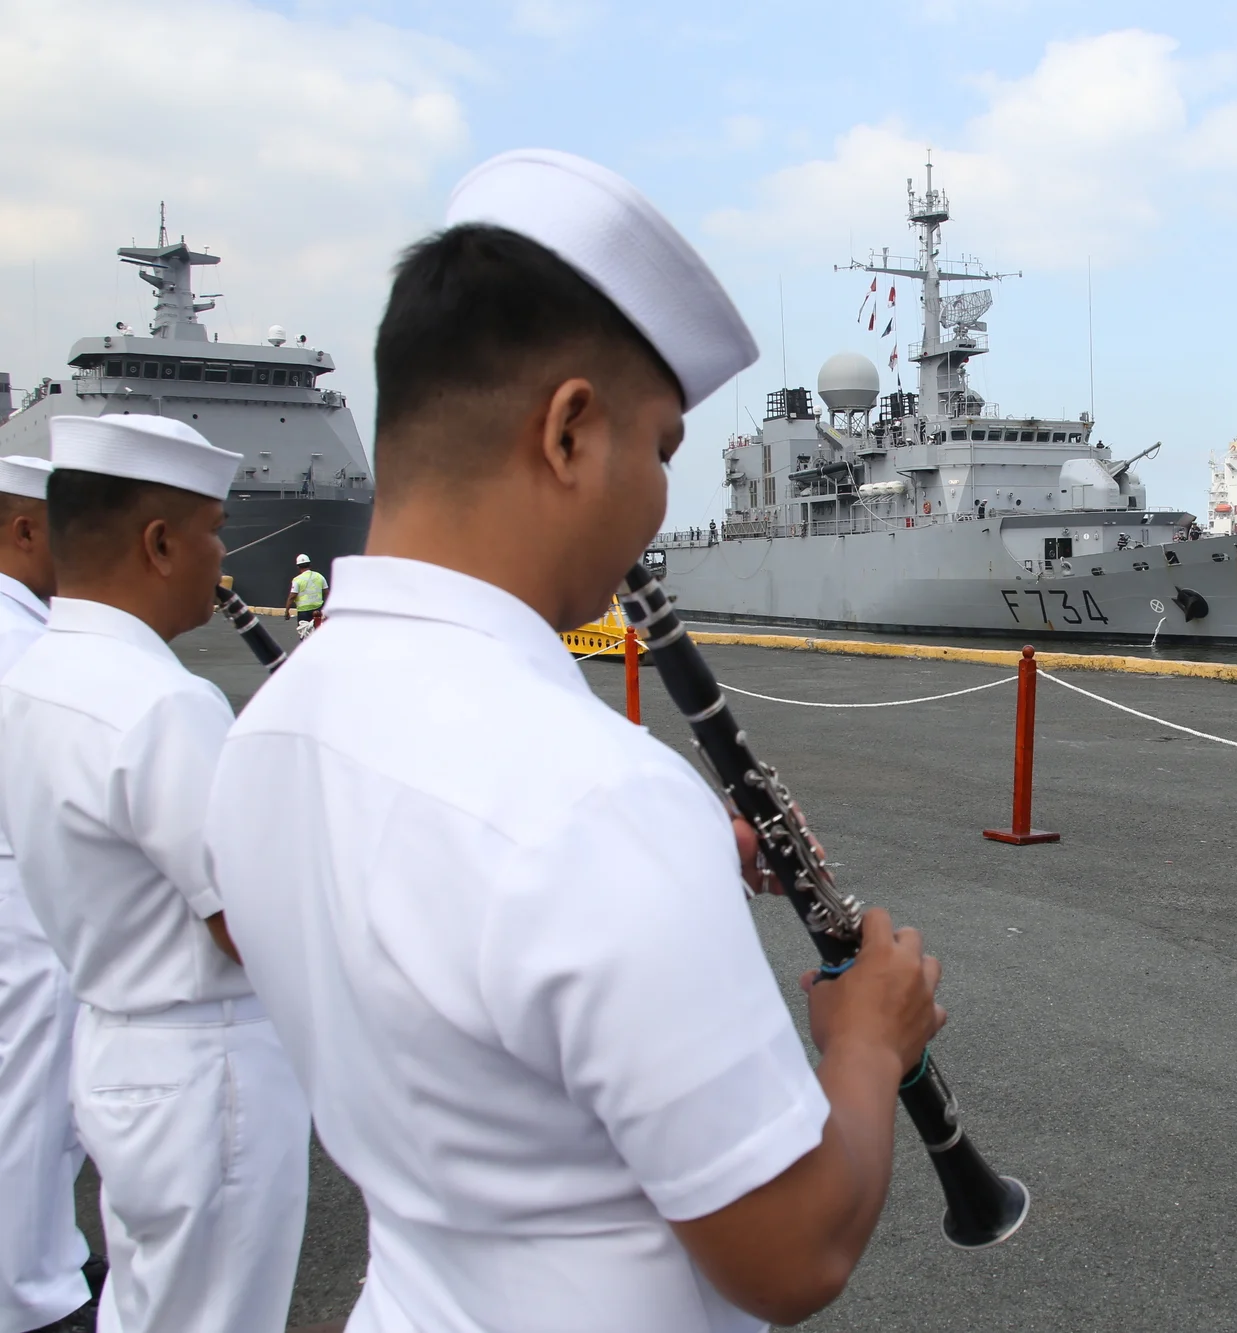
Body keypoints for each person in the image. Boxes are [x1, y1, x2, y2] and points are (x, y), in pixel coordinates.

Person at [204, 149, 945, 1333]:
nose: (658, 498)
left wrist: (653, 877)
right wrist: (867, 1040)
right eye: (657, 449)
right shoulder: (598, 804)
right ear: (567, 430)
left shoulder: (270, 728)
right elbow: (793, 1250)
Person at [0, 416, 310, 1333]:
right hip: (205, 1062)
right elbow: (247, 921)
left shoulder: (41, 670)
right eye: (213, 530)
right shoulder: (163, 702)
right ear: (160, 541)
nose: (219, 557)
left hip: (122, 1043)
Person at [0, 456, 97, 1333]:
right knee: (30, 1100)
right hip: (24, 892)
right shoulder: (29, 646)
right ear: (26, 531)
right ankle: (28, 1288)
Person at [287, 551, 327, 627]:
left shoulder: (297, 580)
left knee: (304, 633)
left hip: (303, 612)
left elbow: (292, 597)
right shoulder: (319, 576)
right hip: (318, 609)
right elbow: (327, 592)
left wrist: (287, 611)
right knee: (319, 631)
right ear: (310, 564)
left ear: (298, 567)